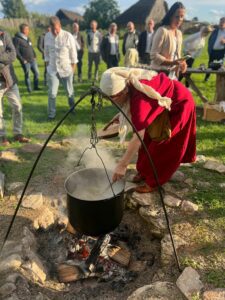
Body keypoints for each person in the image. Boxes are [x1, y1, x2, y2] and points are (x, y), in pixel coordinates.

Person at [100, 67, 196, 193]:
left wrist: (122, 165)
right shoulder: (129, 85)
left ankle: (154, 182)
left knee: (163, 146)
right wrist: (121, 115)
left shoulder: (139, 99)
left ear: (122, 91)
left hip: (179, 105)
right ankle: (144, 172)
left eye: (111, 98)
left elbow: (138, 137)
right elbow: (133, 105)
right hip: (160, 105)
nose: (110, 102)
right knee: (147, 141)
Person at [44, 16, 78, 120]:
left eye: (57, 29)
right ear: (50, 27)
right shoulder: (47, 36)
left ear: (60, 26)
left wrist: (72, 70)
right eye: (53, 30)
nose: (55, 32)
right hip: (53, 70)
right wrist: (47, 68)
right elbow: (46, 54)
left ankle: (72, 108)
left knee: (69, 91)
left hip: (66, 70)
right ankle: (51, 114)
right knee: (52, 93)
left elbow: (73, 55)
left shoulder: (68, 36)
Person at [0, 29, 30, 146]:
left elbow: (12, 55)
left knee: (18, 107)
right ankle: (2, 137)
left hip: (10, 80)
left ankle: (17, 133)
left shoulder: (4, 35)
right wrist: (4, 57)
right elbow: (7, 56)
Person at [150, 2, 187, 79]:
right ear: (171, 16)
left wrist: (183, 64)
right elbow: (154, 55)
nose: (180, 19)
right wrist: (172, 62)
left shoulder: (179, 33)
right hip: (159, 74)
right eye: (177, 16)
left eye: (182, 16)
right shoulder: (162, 31)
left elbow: (177, 55)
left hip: (173, 75)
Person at [13, 24, 40, 92]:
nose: (28, 30)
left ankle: (36, 87)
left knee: (37, 73)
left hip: (32, 60)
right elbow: (16, 51)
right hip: (25, 61)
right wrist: (22, 60)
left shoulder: (28, 38)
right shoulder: (16, 39)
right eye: (27, 29)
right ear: (23, 30)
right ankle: (29, 89)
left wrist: (34, 55)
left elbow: (31, 47)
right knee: (28, 75)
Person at [205, 17, 225, 82]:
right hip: (213, 51)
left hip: (221, 52)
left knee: (219, 66)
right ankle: (207, 78)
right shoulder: (215, 31)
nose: (221, 23)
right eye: (220, 22)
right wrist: (209, 48)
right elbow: (210, 39)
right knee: (210, 65)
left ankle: (219, 80)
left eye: (223, 22)